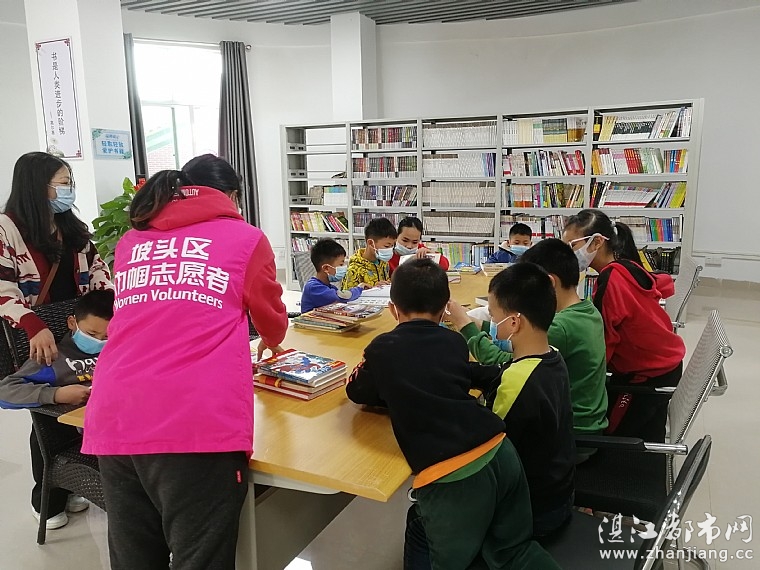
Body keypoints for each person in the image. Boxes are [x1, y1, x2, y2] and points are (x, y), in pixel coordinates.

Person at [82, 154, 288, 570]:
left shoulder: (132, 240)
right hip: (194, 423)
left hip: (115, 414)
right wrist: (269, 339)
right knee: (200, 558)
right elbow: (273, 321)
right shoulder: (246, 238)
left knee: (135, 559)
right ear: (231, 195)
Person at [346, 258, 559, 570]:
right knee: (515, 550)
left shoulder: (382, 348)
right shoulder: (454, 341)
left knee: (442, 556)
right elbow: (454, 375)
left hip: (454, 476)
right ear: (445, 308)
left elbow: (357, 390)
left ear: (393, 309)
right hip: (501, 450)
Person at [0, 152, 112, 529]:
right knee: (46, 408)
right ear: (38, 185)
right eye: (63, 183)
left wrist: (107, 310)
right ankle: (47, 495)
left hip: (76, 329)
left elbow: (99, 272)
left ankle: (72, 480)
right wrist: (34, 324)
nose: (69, 190)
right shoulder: (6, 229)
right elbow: (2, 288)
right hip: (33, 336)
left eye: (69, 182)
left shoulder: (70, 227)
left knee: (79, 399)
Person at [447, 239, 608, 444]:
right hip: (577, 428)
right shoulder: (586, 311)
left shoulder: (561, 328)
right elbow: (516, 333)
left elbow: (502, 360)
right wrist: (481, 322)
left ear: (548, 283)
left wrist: (465, 325)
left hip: (571, 434)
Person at [461, 263, 575, 538]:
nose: (491, 321)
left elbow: (486, 449)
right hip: (558, 493)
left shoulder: (517, 382)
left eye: (493, 315)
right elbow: (502, 372)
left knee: (424, 515)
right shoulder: (551, 356)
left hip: (532, 511)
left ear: (514, 322)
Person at [562, 209, 685, 442]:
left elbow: (602, 345)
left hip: (647, 375)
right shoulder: (625, 266)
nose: (568, 254)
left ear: (597, 242)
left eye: (572, 246)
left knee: (606, 431)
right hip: (665, 365)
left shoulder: (611, 281)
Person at [0, 289, 113, 410]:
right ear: (72, 323)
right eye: (91, 334)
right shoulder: (51, 359)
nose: (99, 341)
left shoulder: (116, 352)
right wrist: (56, 395)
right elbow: (4, 392)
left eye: (107, 336)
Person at [300, 238, 367, 313]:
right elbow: (342, 297)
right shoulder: (313, 288)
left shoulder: (330, 287)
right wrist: (359, 288)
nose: (344, 267)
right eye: (341, 264)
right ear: (326, 268)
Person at [341, 217, 396, 289]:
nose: (390, 250)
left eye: (392, 246)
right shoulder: (354, 270)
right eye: (387, 246)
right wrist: (373, 289)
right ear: (370, 243)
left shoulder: (384, 263)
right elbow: (347, 294)